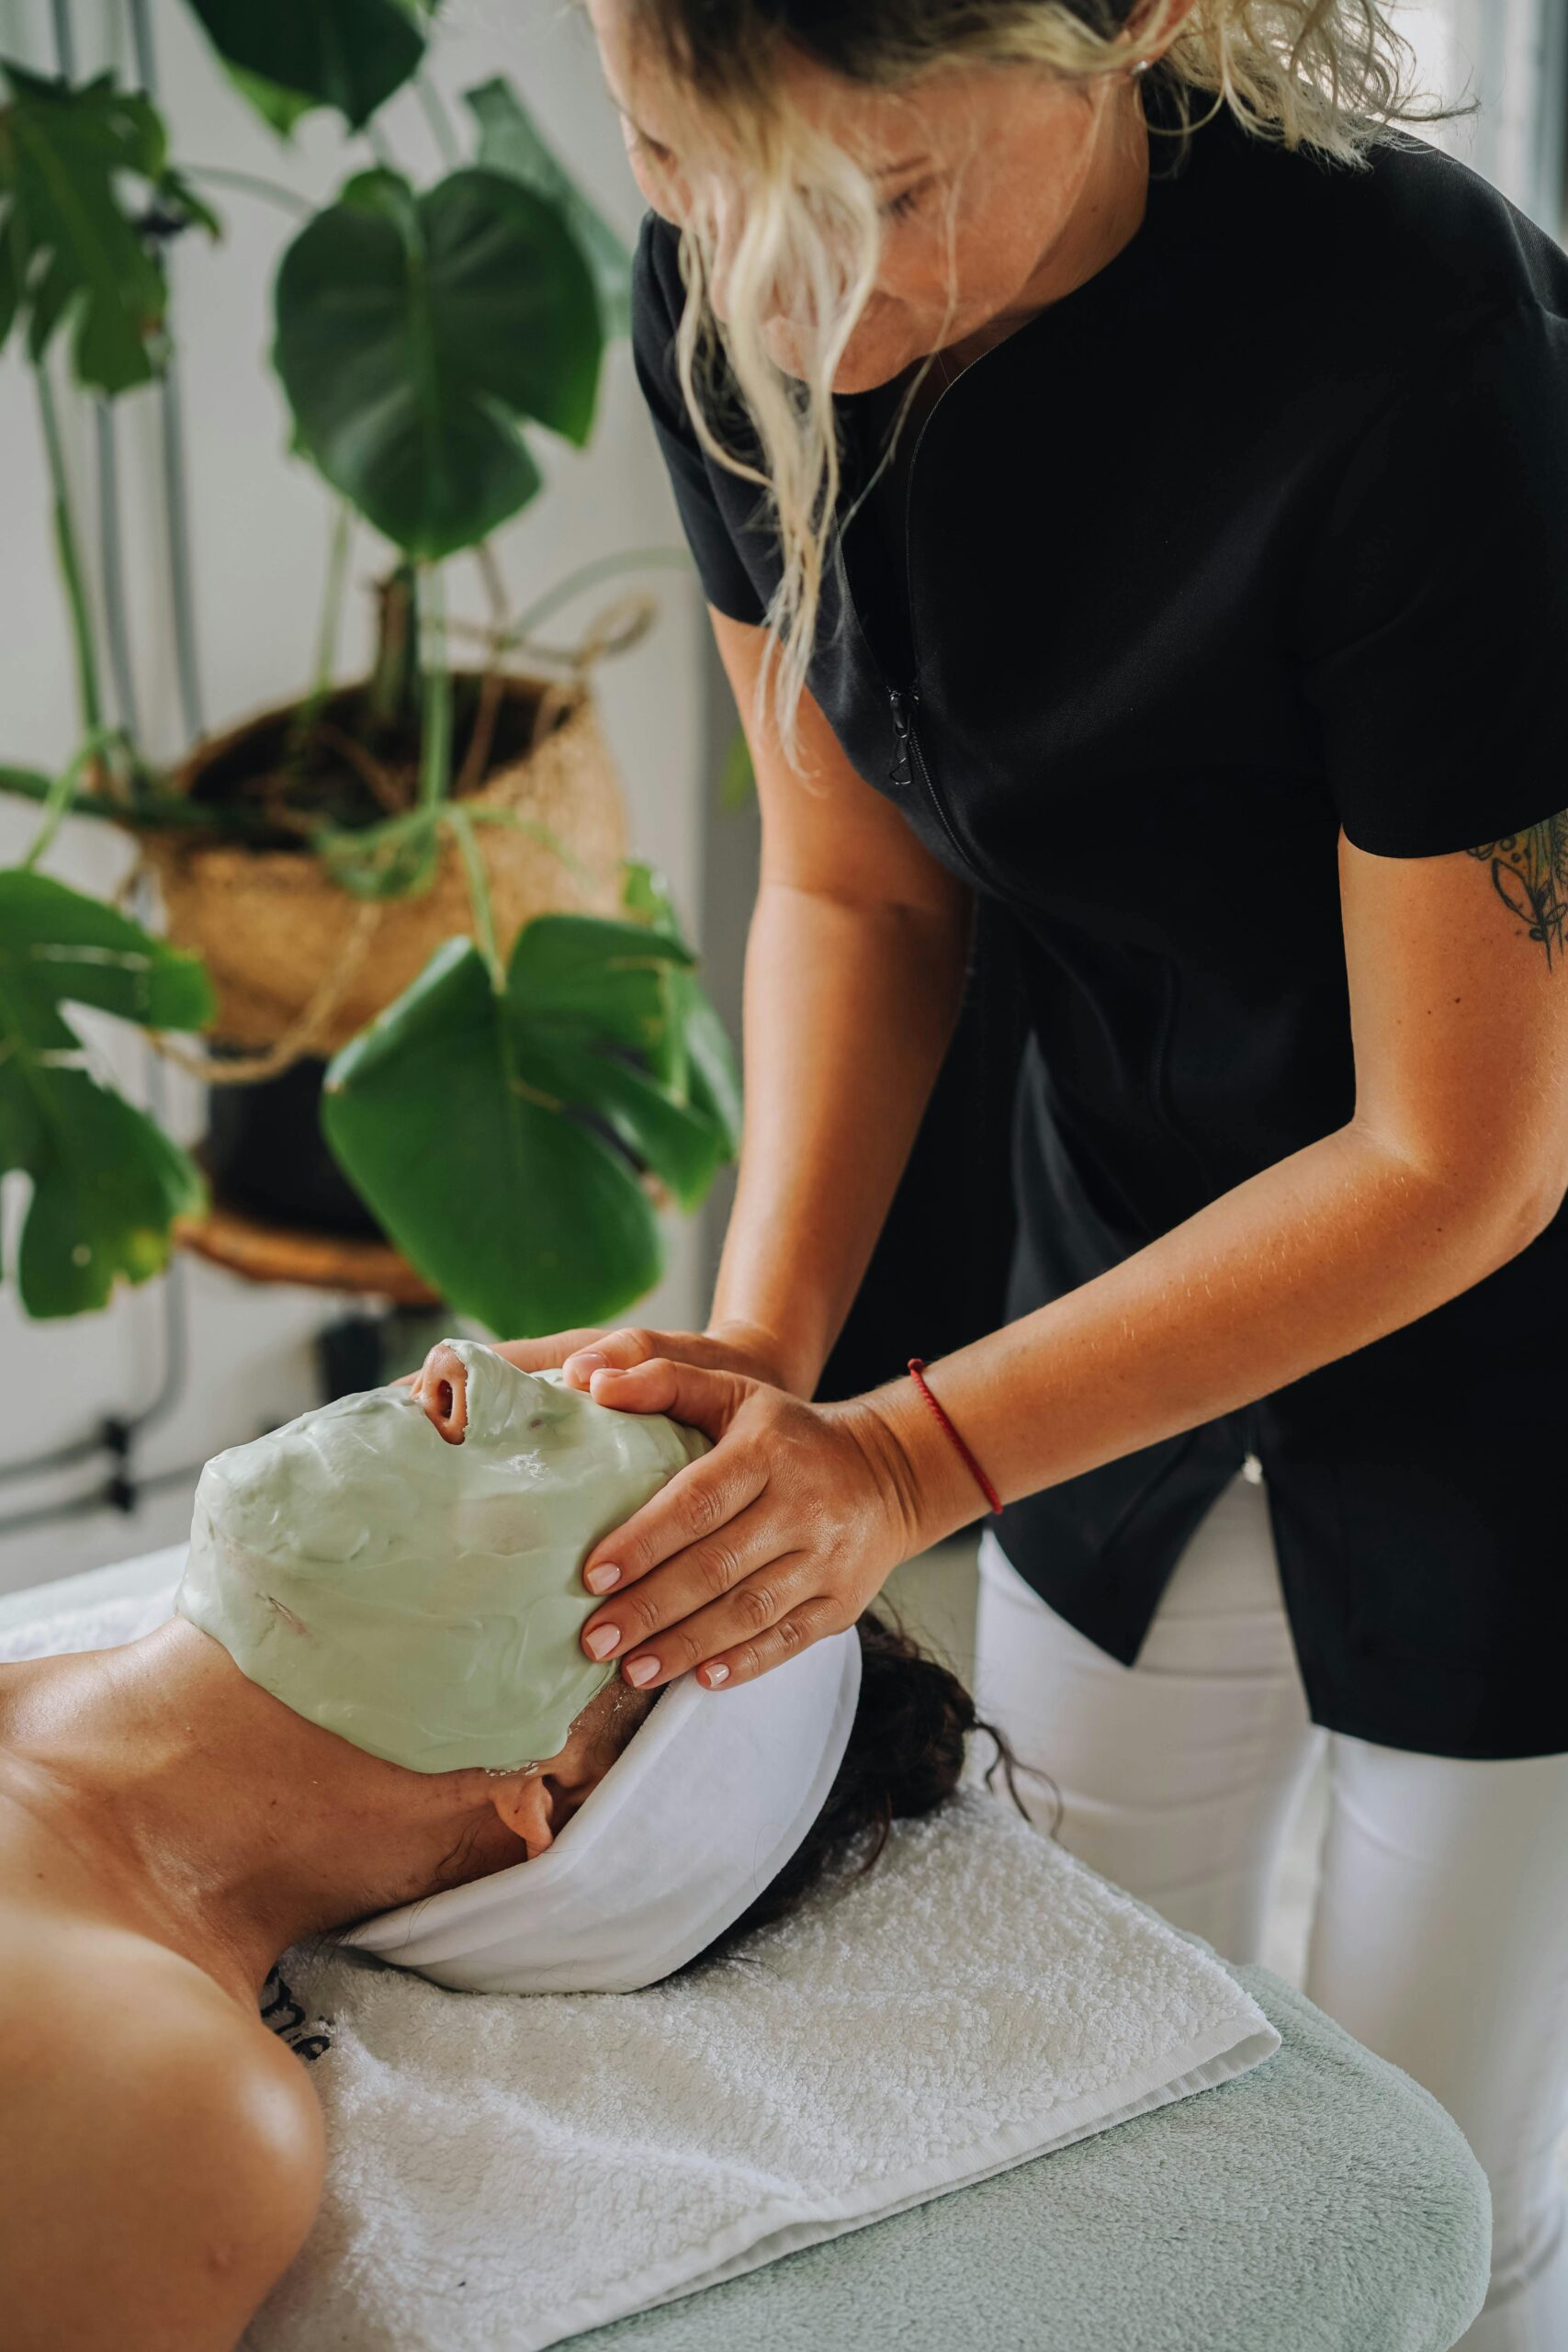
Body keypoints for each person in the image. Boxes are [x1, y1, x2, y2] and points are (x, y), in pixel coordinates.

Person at [485, 4, 1568, 2345]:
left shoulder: (1427, 364)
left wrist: (903, 1458)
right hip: (1115, 1240)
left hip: (1513, 1331)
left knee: (1430, 2180)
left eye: (883, 204)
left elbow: (1455, 1153)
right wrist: (765, 1353)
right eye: (669, 165)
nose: (770, 301)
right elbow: (856, 889)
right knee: (1077, 2061)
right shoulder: (736, 270)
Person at [0, 1340, 984, 2351]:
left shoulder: (171, 2111)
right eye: (562, 1393)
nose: (461, 1365)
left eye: (579, 1447)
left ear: (552, 1785)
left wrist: (902, 1464)